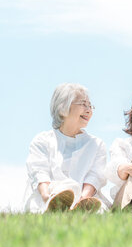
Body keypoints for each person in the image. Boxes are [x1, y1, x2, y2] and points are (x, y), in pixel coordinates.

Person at [23, 83, 108, 213]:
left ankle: (76, 210)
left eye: (90, 106)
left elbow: (95, 176)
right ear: (63, 107)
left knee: (98, 210)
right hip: (49, 196)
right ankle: (56, 207)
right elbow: (39, 172)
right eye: (83, 104)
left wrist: (82, 200)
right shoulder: (42, 140)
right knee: (67, 187)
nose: (89, 110)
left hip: (84, 198)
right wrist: (47, 197)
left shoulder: (96, 144)